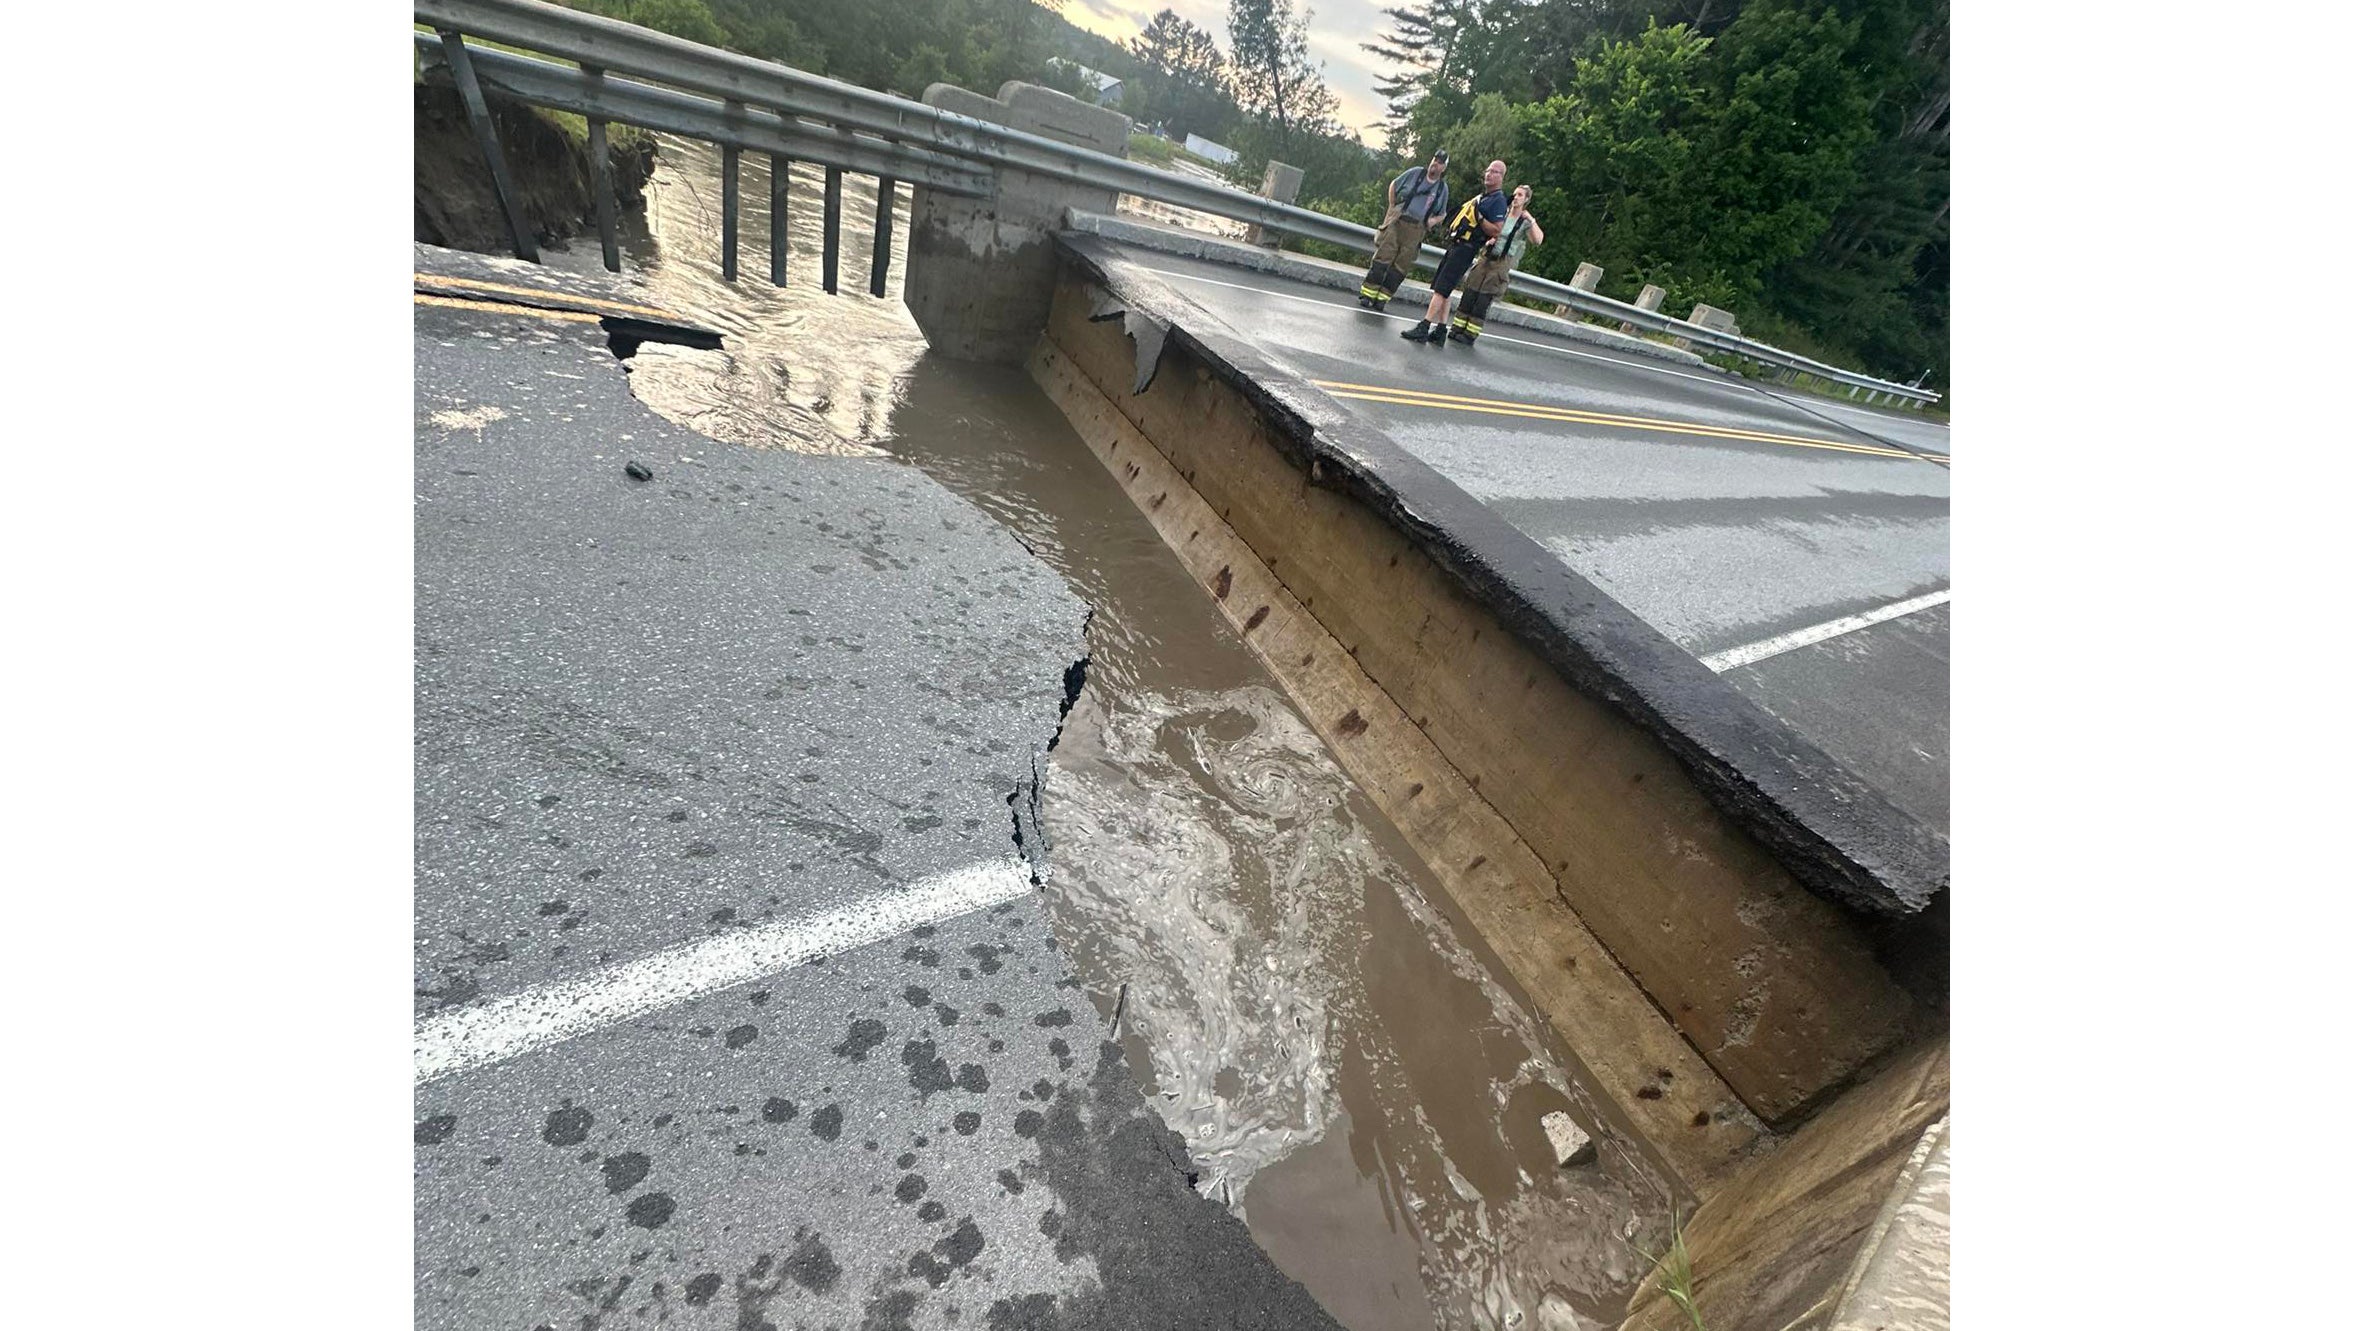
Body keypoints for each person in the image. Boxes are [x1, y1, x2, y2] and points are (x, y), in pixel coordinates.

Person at [1401, 159, 1507, 345]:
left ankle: (1424, 326)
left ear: (1502, 177)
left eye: (1495, 172)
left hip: (1466, 248)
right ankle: (1441, 330)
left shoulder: (1498, 200)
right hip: (1457, 245)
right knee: (1445, 289)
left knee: (1441, 289)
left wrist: (1480, 218)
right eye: (1488, 170)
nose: (1489, 174)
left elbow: (1497, 230)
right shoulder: (1484, 197)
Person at [1447, 184, 1543, 345]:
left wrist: (1531, 219)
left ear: (1526, 200)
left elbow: (1538, 240)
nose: (1515, 198)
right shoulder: (1501, 214)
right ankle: (1457, 328)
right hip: (1486, 256)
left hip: (1501, 262)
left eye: (1520, 195)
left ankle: (1470, 334)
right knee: (1470, 292)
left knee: (1483, 298)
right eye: (1514, 194)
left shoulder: (1524, 222)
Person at [1356, 150, 1452, 311]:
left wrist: (1432, 221)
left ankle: (1382, 299)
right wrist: (1392, 206)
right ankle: (1367, 294)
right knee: (1383, 257)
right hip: (1398, 221)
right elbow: (1394, 184)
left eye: (1440, 162)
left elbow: (1442, 214)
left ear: (1444, 168)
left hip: (1416, 229)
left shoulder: (1442, 189)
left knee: (1400, 266)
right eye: (1435, 159)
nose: (1435, 163)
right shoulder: (1415, 173)